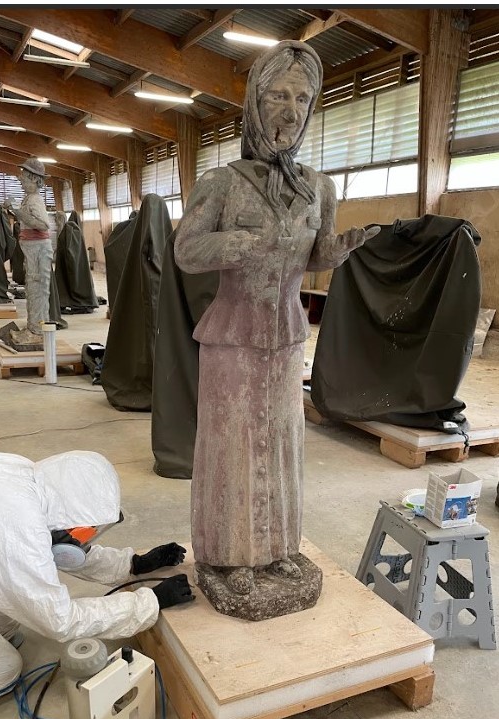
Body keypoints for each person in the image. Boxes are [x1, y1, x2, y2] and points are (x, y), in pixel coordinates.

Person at [174, 41, 380, 609]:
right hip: (233, 334)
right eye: (277, 95)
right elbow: (187, 250)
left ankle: (278, 549)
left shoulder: (319, 187)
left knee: (283, 445)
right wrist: (239, 244)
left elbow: (312, 255)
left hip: (287, 334)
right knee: (232, 447)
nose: (290, 110)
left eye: (302, 98)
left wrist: (338, 250)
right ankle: (229, 556)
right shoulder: (223, 181)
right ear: (253, 103)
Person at [0, 450, 194, 716]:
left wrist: (132, 565)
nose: (84, 538)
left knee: (5, 617)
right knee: (1, 670)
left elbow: (54, 546)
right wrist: (149, 602)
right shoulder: (12, 528)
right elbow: (60, 622)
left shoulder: (25, 480)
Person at [4, 158, 53, 346]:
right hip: (33, 250)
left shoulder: (35, 200)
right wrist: (15, 209)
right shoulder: (29, 198)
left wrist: (17, 210)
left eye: (24, 177)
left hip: (39, 250)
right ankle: (33, 327)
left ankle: (38, 331)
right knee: (32, 289)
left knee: (38, 290)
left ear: (35, 179)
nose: (21, 180)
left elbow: (42, 224)